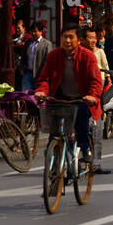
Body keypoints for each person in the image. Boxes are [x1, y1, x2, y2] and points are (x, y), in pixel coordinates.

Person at [34, 24, 103, 163]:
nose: (67, 40)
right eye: (65, 37)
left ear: (79, 40)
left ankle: (85, 148)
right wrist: (41, 91)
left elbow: (95, 81)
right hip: (59, 99)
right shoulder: (54, 55)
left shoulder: (88, 56)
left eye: (71, 37)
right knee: (54, 132)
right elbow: (44, 78)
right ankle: (53, 156)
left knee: (82, 118)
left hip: (81, 99)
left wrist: (92, 96)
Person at [80, 29, 112, 175]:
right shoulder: (77, 54)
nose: (93, 40)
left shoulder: (99, 53)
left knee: (96, 128)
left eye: (94, 38)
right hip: (79, 95)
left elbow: (105, 70)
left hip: (95, 93)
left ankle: (96, 163)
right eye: (90, 38)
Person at [24, 20, 51, 91]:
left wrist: (43, 73)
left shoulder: (46, 44)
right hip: (28, 73)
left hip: (40, 75)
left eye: (35, 31)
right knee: (26, 95)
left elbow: (47, 61)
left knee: (38, 96)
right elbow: (24, 56)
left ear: (41, 32)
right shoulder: (28, 42)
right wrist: (22, 68)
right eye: (32, 31)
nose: (33, 33)